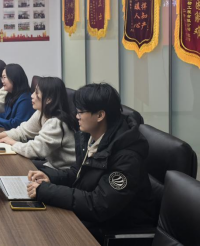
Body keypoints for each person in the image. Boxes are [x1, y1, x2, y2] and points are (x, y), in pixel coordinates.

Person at [26, 83, 156, 241]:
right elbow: (78, 173)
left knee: (42, 231)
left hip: (114, 228)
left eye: (80, 112)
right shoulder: (91, 136)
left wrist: (48, 191)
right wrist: (51, 177)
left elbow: (99, 204)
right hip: (92, 217)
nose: (76, 116)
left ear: (100, 115)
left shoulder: (127, 157)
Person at [0, 77, 77, 170]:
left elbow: (34, 150)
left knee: (13, 166)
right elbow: (22, 131)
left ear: (48, 99)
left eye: (36, 93)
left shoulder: (56, 123)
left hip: (61, 171)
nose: (32, 95)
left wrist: (12, 142)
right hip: (50, 163)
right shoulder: (42, 113)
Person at [0, 64, 33, 130]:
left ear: (14, 78)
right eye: (2, 78)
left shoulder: (26, 99)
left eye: (4, 77)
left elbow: (16, 124)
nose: (2, 81)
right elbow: (7, 115)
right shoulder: (11, 95)